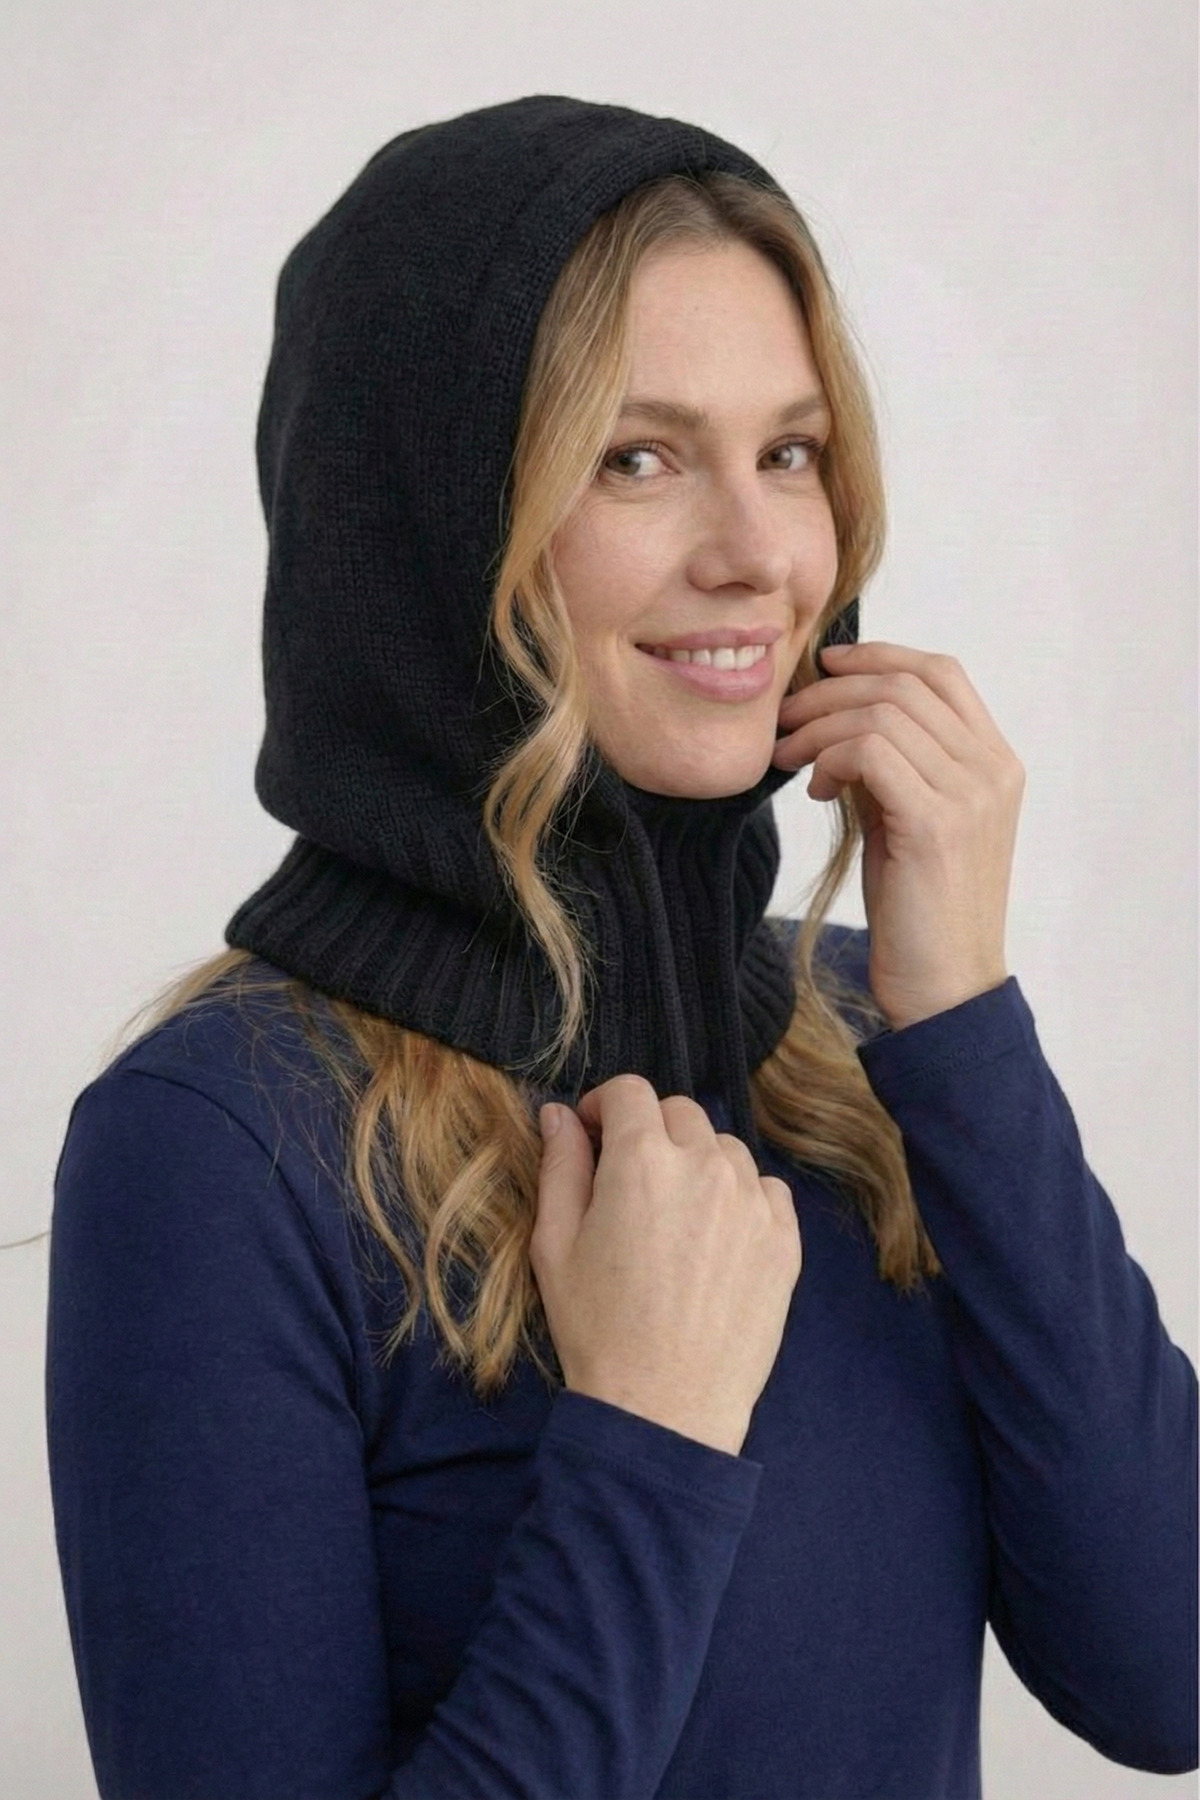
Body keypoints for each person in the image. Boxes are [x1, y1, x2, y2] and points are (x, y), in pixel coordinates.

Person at [45, 94, 1196, 1800]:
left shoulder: (870, 1039)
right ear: (434, 529)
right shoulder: (223, 1147)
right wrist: (647, 1442)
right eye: (636, 458)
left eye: (791, 452)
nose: (760, 556)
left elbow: (1168, 1677)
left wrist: (962, 1018)